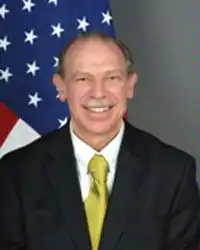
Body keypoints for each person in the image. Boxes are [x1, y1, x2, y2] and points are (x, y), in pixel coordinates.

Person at [0, 32, 199, 250]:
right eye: (83, 78)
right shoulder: (16, 173)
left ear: (130, 85)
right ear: (61, 86)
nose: (98, 92)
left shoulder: (173, 172)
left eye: (112, 78)